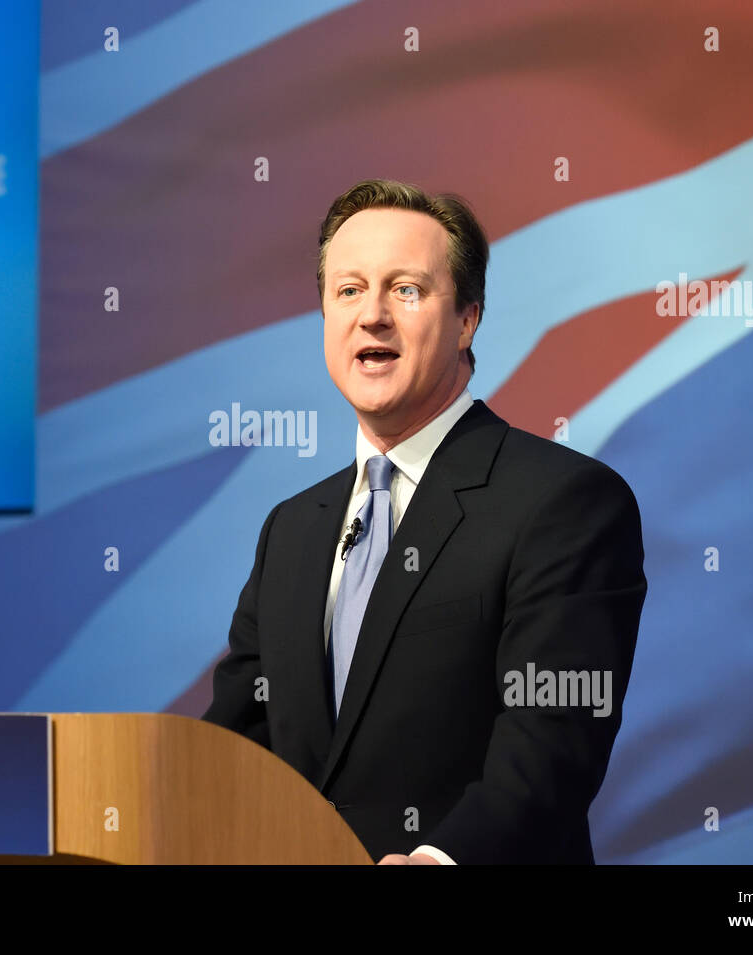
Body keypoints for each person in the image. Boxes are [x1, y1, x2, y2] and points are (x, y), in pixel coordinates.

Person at [202, 179, 647, 864]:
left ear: (468, 318)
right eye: (348, 290)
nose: (372, 314)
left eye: (404, 289)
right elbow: (232, 750)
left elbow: (552, 741)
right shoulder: (290, 530)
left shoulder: (564, 502)